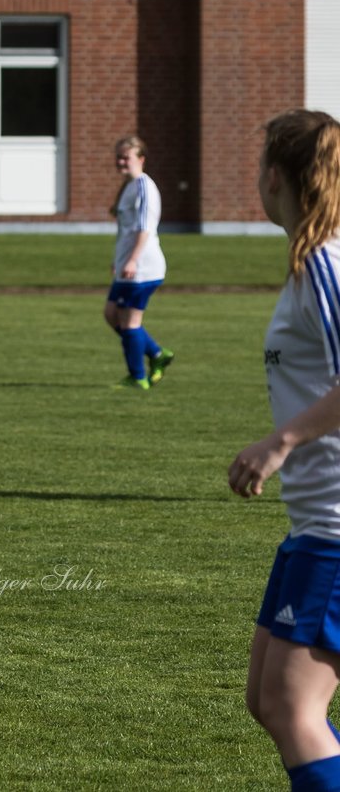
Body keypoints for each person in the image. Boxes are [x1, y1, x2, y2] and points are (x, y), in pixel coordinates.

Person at [229, 108, 340, 790]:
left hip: (336, 528)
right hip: (313, 527)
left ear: (276, 176)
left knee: (294, 707)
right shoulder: (311, 263)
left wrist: (282, 440)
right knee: (267, 700)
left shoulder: (326, 264)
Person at [105, 136, 174, 390]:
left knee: (130, 322)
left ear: (141, 159)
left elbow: (145, 228)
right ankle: (157, 354)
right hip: (128, 265)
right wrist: (118, 259)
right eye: (119, 157)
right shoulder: (129, 186)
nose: (121, 162)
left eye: (127, 157)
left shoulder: (145, 186)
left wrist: (133, 260)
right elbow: (125, 231)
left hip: (143, 267)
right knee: (111, 314)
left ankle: (138, 377)